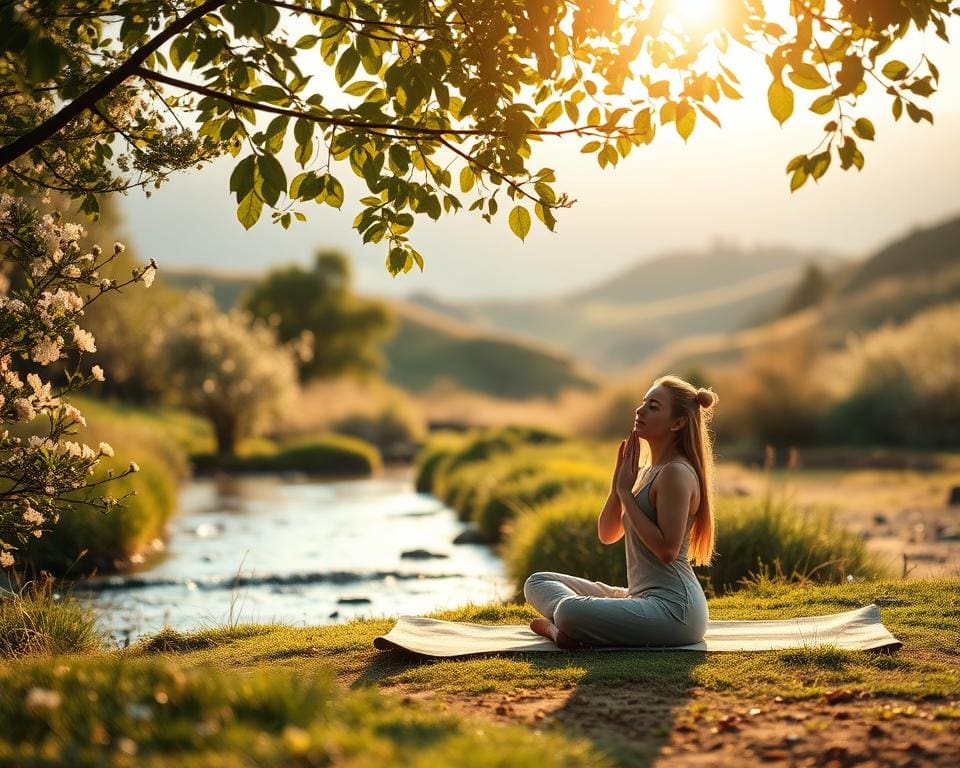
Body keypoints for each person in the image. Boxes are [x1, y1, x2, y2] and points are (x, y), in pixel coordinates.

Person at [524, 374, 717, 649]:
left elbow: (667, 551)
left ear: (677, 422)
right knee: (538, 581)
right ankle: (564, 629)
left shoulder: (676, 473)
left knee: (569, 611)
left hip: (676, 610)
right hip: (638, 597)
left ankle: (557, 630)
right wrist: (618, 488)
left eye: (654, 406)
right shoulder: (647, 471)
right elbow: (607, 533)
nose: (640, 410)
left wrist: (627, 494)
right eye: (643, 402)